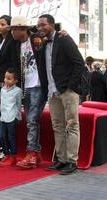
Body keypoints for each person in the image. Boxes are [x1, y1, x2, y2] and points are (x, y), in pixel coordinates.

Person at [37, 14, 84, 175]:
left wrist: (70, 86)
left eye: (43, 25)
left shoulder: (64, 39)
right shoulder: (43, 44)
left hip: (67, 91)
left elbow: (79, 63)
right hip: (52, 91)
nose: (40, 28)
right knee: (58, 126)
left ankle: (72, 161)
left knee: (72, 125)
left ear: (51, 25)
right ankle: (61, 159)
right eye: (38, 26)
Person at [10, 16, 47, 169]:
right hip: (26, 87)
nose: (12, 33)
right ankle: (36, 153)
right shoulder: (17, 45)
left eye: (14, 29)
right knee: (30, 120)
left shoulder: (36, 39)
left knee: (32, 120)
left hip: (38, 85)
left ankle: (31, 152)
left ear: (22, 29)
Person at [0, 15, 17, 160]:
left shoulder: (13, 41)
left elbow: (13, 61)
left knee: (8, 117)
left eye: (2, 24)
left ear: (9, 26)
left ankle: (10, 151)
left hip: (9, 83)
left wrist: (11, 80)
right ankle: (3, 147)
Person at [0, 68, 22, 166]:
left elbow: (19, 105)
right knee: (2, 136)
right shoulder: (2, 90)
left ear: (15, 81)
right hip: (3, 117)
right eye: (5, 78)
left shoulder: (18, 91)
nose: (6, 80)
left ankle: (13, 156)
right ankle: (6, 154)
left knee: (11, 137)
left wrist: (18, 117)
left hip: (12, 117)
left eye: (9, 78)